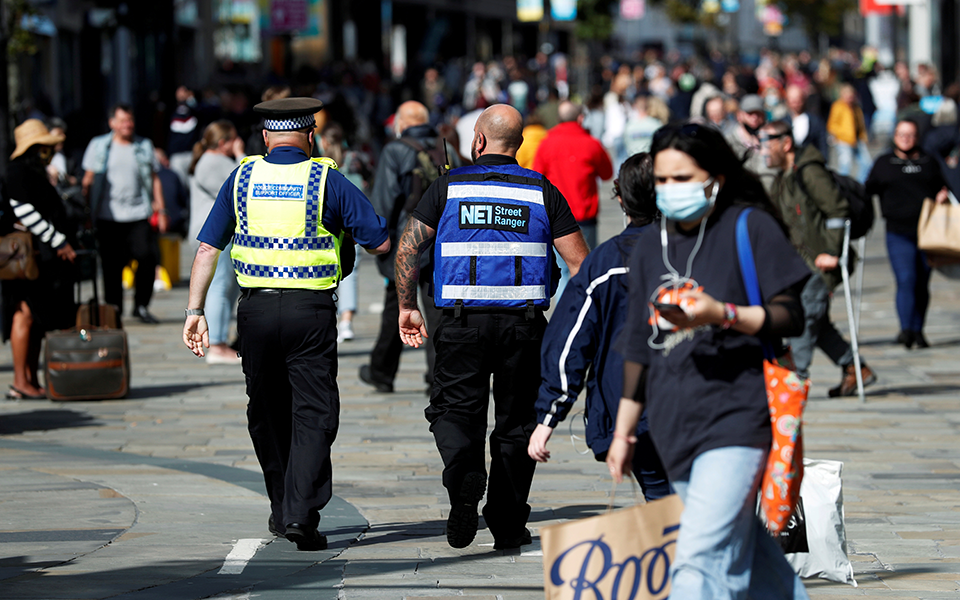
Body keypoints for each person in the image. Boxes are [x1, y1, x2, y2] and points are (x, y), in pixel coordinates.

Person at [606, 122, 811, 599]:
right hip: (675, 425)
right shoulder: (648, 249)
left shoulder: (748, 227)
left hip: (738, 418)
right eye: (661, 180)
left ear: (714, 177)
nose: (670, 190)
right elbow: (638, 348)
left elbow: (791, 315)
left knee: (698, 561)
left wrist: (724, 314)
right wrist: (623, 432)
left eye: (682, 178)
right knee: (749, 558)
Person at [182, 97, 389, 550]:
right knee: (314, 412)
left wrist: (195, 312)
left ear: (265, 137)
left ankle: (282, 508)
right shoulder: (326, 179)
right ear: (311, 136)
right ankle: (299, 513)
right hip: (309, 313)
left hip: (253, 313)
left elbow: (205, 250)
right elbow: (379, 240)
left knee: (266, 411)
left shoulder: (242, 178)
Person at [394, 104, 589, 550]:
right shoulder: (542, 191)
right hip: (525, 327)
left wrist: (408, 305)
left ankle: (465, 477)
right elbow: (582, 266)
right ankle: (505, 520)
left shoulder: (448, 186)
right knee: (518, 424)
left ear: (478, 140)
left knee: (454, 411)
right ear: (517, 144)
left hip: (460, 324)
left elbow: (409, 247)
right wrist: (577, 329)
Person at [528, 153, 670, 501]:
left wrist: (548, 416)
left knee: (660, 497)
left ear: (620, 198)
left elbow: (572, 340)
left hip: (632, 408)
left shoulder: (605, 262)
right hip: (703, 404)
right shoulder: (702, 251)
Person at [762, 120, 878, 396]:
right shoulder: (782, 177)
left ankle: (792, 383)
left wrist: (833, 253)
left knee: (804, 319)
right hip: (798, 265)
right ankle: (855, 367)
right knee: (817, 321)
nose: (763, 149)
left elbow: (838, 212)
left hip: (819, 262)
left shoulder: (810, 173)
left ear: (785, 143)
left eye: (767, 142)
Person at [359, 101, 458, 393]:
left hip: (407, 241)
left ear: (402, 123)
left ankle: (381, 371)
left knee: (397, 305)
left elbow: (384, 200)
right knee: (438, 309)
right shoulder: (446, 148)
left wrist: (378, 238)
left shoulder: (395, 150)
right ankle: (439, 376)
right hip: (441, 241)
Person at [1, 120, 78, 399]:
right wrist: (59, 241)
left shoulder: (34, 170)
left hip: (38, 259)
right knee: (23, 315)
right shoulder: (17, 171)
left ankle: (30, 379)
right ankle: (20, 380)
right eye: (43, 146)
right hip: (25, 260)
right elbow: (25, 212)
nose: (48, 150)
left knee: (35, 318)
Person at [865, 119, 949, 349]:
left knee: (922, 283)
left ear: (917, 137)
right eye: (901, 134)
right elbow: (867, 189)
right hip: (897, 232)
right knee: (906, 279)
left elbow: (944, 185)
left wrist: (942, 195)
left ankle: (918, 329)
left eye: (910, 134)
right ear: (894, 136)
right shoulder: (884, 162)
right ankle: (906, 329)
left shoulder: (928, 161)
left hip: (927, 233)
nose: (906, 139)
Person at [81, 104, 168, 324]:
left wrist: (161, 208)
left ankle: (141, 305)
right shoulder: (99, 145)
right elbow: (88, 179)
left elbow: (154, 178)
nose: (126, 125)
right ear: (112, 123)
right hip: (107, 216)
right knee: (111, 266)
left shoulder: (144, 145)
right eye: (122, 121)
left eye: (129, 120)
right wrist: (85, 210)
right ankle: (114, 310)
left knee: (147, 257)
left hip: (139, 214)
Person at [533, 100, 613, 297]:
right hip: (585, 216)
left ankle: (563, 319)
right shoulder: (592, 143)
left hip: (554, 217)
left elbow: (536, 176)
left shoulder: (547, 143)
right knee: (585, 271)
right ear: (581, 118)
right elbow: (607, 173)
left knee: (561, 273)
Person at [187, 120, 245, 364]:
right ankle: (218, 344)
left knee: (226, 286)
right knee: (221, 286)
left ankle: (221, 340)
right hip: (215, 234)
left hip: (210, 232)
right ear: (223, 143)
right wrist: (241, 154)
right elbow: (245, 182)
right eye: (233, 139)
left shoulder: (208, 160)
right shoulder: (215, 162)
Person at [724, 94, 778, 191]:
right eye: (750, 113)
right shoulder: (730, 141)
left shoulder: (773, 140)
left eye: (758, 113)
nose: (754, 117)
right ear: (739, 115)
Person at [827, 84, 873, 184]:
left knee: (867, 163)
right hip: (843, 140)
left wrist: (864, 137)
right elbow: (832, 125)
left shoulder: (856, 107)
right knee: (845, 165)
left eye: (851, 95)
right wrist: (842, 136)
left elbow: (860, 124)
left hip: (857, 139)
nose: (850, 98)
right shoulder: (838, 106)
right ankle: (843, 186)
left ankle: (859, 184)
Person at [784, 84, 829, 158]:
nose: (795, 103)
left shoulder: (815, 121)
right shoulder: (783, 122)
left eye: (798, 100)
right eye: (792, 100)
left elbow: (822, 143)